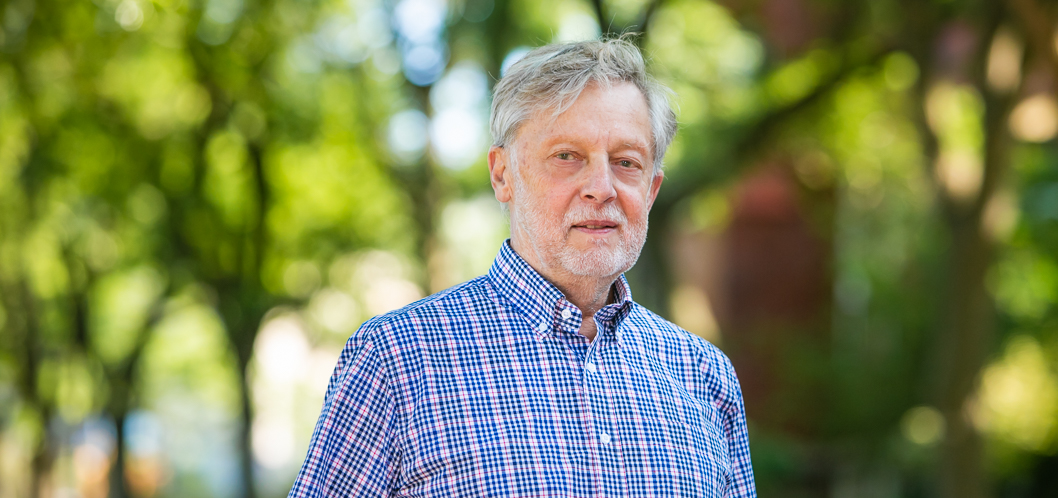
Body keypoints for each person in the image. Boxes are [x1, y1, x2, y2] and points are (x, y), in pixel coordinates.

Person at [289, 37, 756, 497]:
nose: (601, 187)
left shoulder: (703, 374)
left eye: (626, 162)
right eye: (566, 156)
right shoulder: (397, 360)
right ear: (503, 175)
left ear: (651, 191)